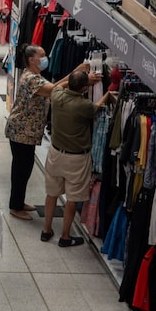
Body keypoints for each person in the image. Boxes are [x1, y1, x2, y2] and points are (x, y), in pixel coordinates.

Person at [5, 44, 91, 221]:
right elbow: (54, 90)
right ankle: (15, 206)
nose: (45, 59)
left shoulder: (35, 76)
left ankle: (18, 202)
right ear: (32, 60)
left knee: (24, 168)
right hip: (22, 132)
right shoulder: (31, 79)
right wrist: (76, 73)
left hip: (25, 133)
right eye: (42, 56)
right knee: (21, 170)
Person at [41, 69, 108, 247]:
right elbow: (97, 108)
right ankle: (65, 236)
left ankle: (46, 230)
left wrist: (79, 79)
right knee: (72, 198)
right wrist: (108, 94)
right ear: (85, 88)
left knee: (52, 193)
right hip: (77, 159)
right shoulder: (83, 105)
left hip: (56, 153)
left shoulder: (57, 96)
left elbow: (59, 86)